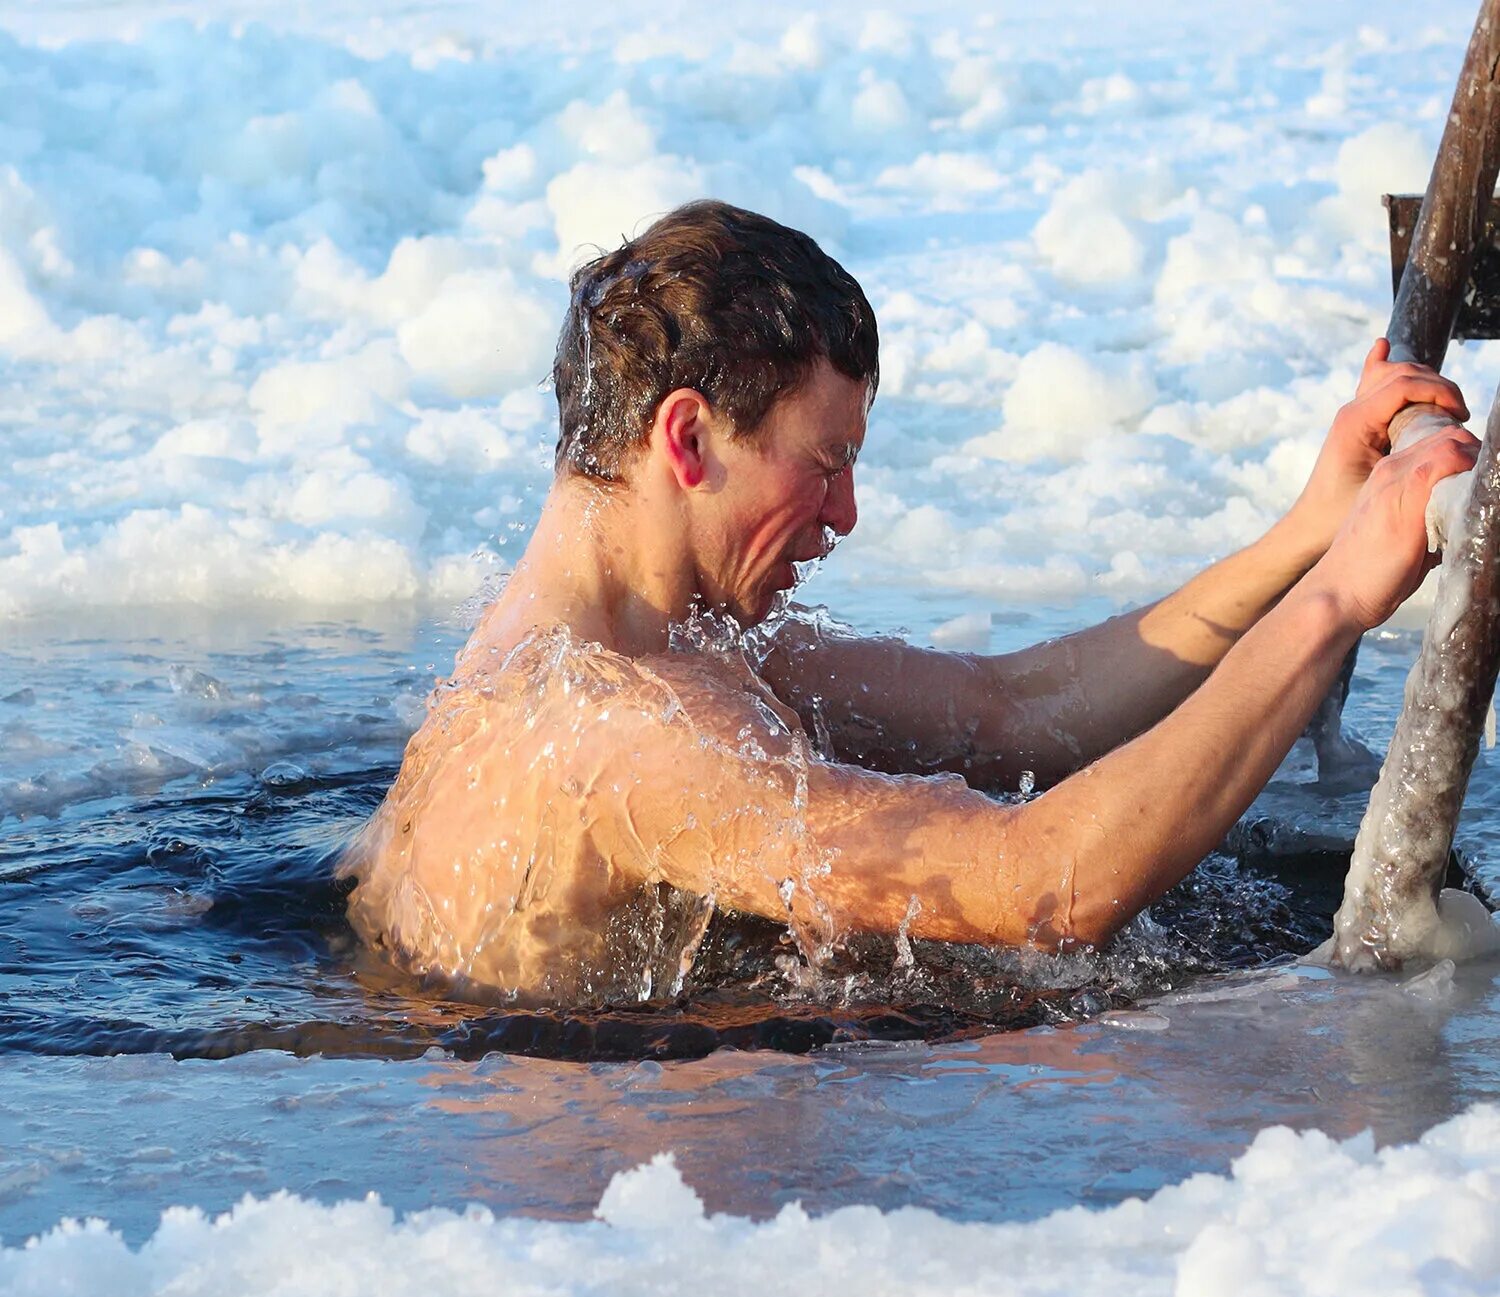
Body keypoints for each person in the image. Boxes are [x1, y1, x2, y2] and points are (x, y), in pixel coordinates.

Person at [341, 199, 1478, 1006]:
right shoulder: (625, 735)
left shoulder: (617, 650)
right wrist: (1334, 604)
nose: (845, 516)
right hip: (631, 1223)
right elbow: (1044, 888)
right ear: (687, 438)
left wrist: (1308, 533)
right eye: (823, 463)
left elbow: (1013, 710)